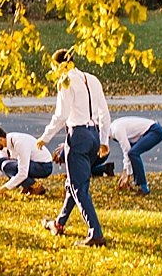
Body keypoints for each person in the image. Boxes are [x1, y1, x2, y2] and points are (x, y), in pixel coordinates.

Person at [36, 49, 111, 247]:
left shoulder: (66, 82)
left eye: (54, 68)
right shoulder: (92, 79)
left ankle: (95, 233)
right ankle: (59, 223)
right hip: (94, 135)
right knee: (73, 181)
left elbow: (61, 115)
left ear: (60, 65)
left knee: (79, 188)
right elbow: (104, 112)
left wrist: (45, 138)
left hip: (78, 136)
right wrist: (104, 141)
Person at [0, 125, 53, 197]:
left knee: (7, 166)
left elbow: (22, 173)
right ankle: (28, 186)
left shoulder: (19, 143)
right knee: (0, 162)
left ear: (0, 140)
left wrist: (2, 189)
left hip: (44, 166)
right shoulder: (6, 143)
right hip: (33, 164)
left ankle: (35, 187)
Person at [111, 116, 162, 195]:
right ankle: (137, 183)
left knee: (133, 153)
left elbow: (127, 151)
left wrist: (127, 174)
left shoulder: (116, 131)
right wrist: (125, 172)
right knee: (133, 152)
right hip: (150, 130)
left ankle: (144, 188)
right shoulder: (113, 126)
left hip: (155, 131)